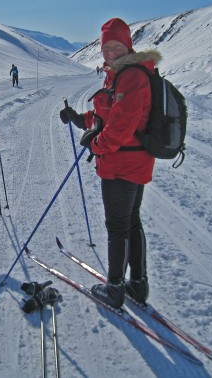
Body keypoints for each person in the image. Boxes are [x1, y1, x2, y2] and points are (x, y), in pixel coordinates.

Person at [59, 18, 160, 308]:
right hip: (131, 160)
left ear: (127, 45)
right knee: (130, 221)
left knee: (118, 225)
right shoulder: (120, 74)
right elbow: (108, 114)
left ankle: (114, 288)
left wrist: (96, 143)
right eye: (106, 47)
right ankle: (137, 285)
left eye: (116, 46)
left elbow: (119, 128)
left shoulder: (132, 76)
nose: (110, 51)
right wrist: (81, 119)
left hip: (123, 162)